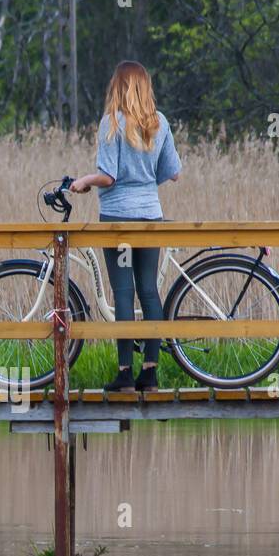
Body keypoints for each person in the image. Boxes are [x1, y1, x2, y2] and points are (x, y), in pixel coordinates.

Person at [69, 61, 181, 392]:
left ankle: (123, 375)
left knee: (123, 292)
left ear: (117, 87)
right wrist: (145, 181)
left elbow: (109, 176)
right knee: (148, 289)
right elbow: (173, 172)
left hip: (118, 221)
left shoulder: (111, 123)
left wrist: (84, 181)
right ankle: (150, 373)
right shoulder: (159, 123)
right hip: (151, 218)